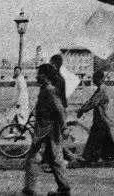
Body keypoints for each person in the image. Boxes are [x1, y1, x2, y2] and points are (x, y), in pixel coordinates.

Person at [23, 64, 70, 196]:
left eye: (40, 74)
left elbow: (60, 109)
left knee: (35, 159)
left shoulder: (49, 90)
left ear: (46, 76)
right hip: (44, 130)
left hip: (49, 130)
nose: (37, 76)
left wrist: (64, 127)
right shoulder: (45, 90)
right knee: (53, 160)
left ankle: (30, 189)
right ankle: (63, 189)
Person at [77, 70, 114, 165]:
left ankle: (89, 158)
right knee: (105, 139)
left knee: (94, 138)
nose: (93, 80)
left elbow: (93, 102)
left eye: (94, 78)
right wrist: (82, 108)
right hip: (104, 118)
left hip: (101, 118)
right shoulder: (103, 89)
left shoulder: (101, 90)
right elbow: (91, 100)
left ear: (99, 79)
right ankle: (112, 158)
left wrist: (82, 110)